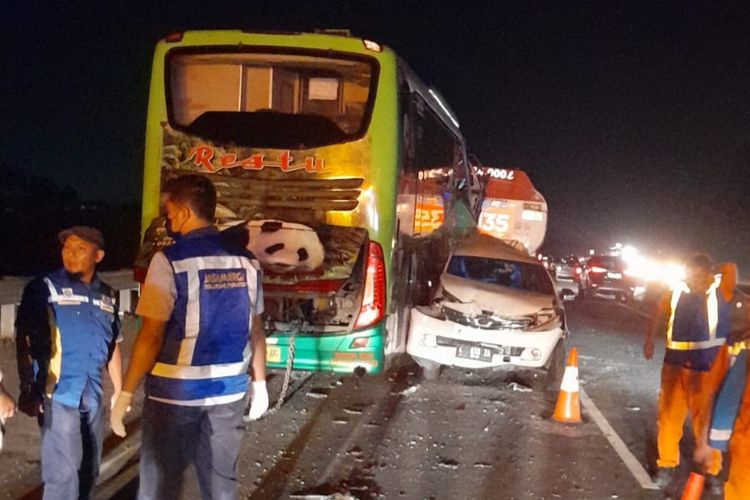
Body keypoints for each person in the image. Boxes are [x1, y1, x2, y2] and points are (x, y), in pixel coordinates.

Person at [110, 174, 268, 500]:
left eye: (169, 213)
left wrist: (126, 392)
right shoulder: (249, 262)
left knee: (161, 486)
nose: (168, 220)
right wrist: (261, 384)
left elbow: (151, 334)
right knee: (220, 485)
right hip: (229, 394)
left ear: (182, 212)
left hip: (174, 395)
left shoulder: (168, 260)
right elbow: (255, 329)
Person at [15, 226, 122, 500]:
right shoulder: (44, 288)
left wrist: (121, 392)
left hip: (93, 393)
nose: (70, 254)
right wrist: (28, 387)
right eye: (66, 247)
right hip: (58, 392)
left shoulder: (108, 295)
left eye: (80, 249)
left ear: (98, 256)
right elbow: (25, 340)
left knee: (90, 468)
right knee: (62, 474)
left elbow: (113, 346)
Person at [643, 254, 736, 492]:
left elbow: (730, 268)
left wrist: (712, 269)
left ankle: (712, 471)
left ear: (707, 273)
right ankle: (666, 466)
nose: (693, 278)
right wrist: (649, 339)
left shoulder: (720, 290)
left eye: (698, 274)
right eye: (690, 273)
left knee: (705, 423)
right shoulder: (676, 290)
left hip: (706, 369)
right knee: (668, 418)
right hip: (674, 366)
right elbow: (659, 311)